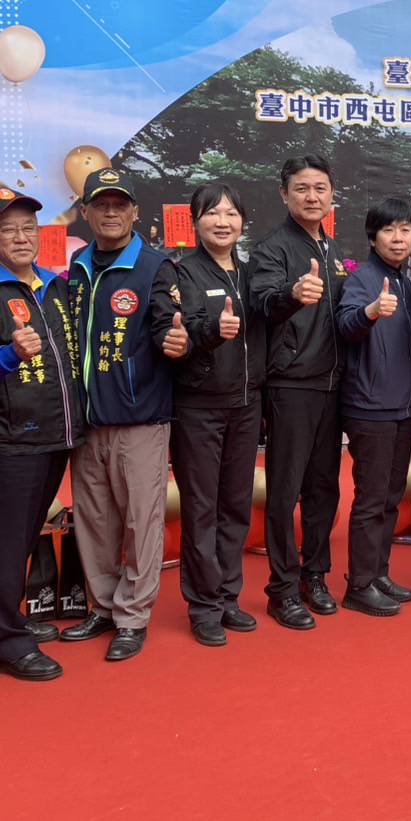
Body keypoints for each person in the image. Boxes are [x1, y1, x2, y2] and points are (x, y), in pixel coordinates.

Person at [0, 187, 83, 681]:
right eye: (9, 229)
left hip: (52, 436)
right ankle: (8, 643)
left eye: (29, 228)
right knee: (5, 543)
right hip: (5, 441)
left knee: (23, 538)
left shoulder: (52, 285)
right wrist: (10, 354)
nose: (22, 237)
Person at [61, 168, 183, 661]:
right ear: (85, 212)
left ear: (135, 212)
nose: (110, 213)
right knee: (95, 521)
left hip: (140, 419)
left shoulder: (156, 267)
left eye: (120, 205)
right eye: (101, 205)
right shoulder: (76, 268)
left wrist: (176, 340)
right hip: (88, 421)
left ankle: (133, 616)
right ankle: (103, 607)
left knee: (141, 521)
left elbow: (167, 324)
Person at [250, 155, 348, 630]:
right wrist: (292, 294)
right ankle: (282, 589)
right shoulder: (272, 249)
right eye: (302, 188)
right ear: (284, 194)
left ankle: (315, 575)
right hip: (291, 384)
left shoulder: (333, 248)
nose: (312, 197)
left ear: (332, 195)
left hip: (333, 384)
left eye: (320, 188)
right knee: (285, 490)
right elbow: (262, 303)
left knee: (324, 488)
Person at [167, 183, 265, 647]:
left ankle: (228, 596)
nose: (222, 222)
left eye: (231, 214)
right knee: (202, 508)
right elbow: (177, 333)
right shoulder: (180, 273)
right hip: (199, 407)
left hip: (246, 405)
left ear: (243, 222)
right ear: (195, 221)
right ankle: (203, 605)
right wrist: (210, 329)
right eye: (212, 213)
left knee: (235, 506)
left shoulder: (251, 274)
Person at [335, 198, 411, 617]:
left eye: (405, 229)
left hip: (403, 407)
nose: (398, 238)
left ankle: (378, 573)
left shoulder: (407, 281)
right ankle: (359, 584)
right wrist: (370, 312)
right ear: (373, 237)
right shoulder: (363, 279)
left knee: (390, 498)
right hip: (370, 408)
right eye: (389, 230)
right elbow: (346, 324)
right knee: (371, 500)